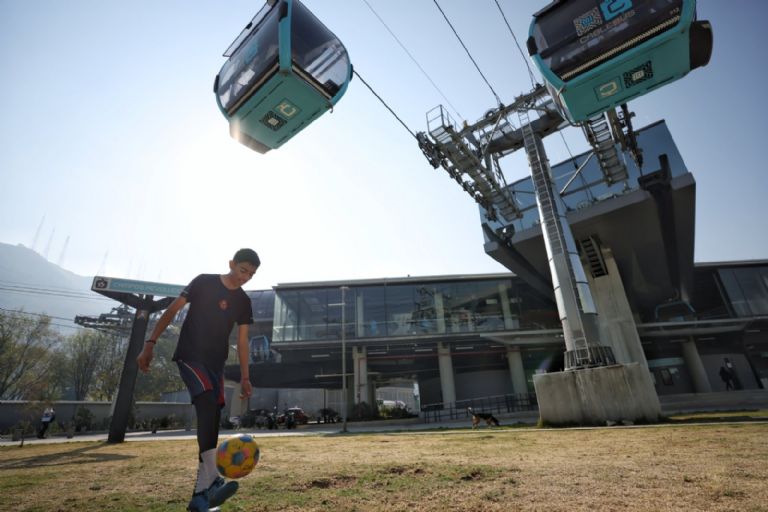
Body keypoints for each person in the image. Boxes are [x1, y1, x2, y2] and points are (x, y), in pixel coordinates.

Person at [137, 248, 260, 512]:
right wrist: (150, 343)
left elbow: (242, 340)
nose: (246, 277)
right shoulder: (203, 281)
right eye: (243, 270)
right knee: (204, 399)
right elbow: (171, 311)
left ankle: (199, 497)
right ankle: (213, 480)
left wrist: (246, 377)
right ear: (231, 264)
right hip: (190, 357)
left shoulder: (244, 301)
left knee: (212, 416)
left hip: (216, 365)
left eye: (251, 274)